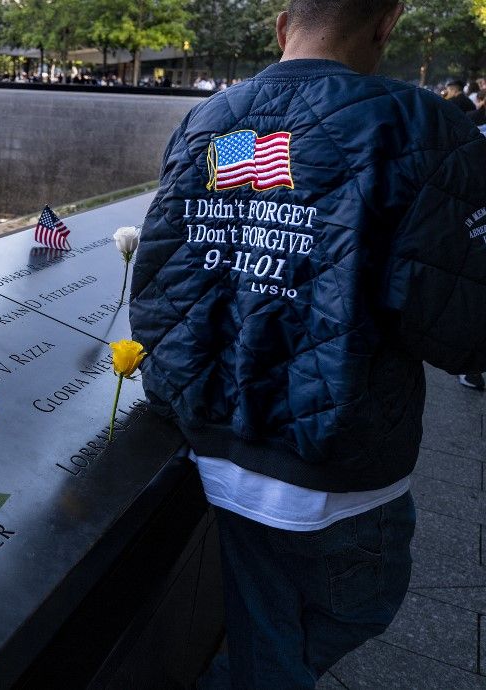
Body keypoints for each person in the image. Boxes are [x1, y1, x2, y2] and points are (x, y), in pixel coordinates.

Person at [129, 1, 486, 688]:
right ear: (387, 24)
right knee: (357, 609)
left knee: (269, 619)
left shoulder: (217, 121)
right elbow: (460, 329)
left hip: (220, 443)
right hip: (337, 467)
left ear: (281, 25)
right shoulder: (417, 125)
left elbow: (166, 279)